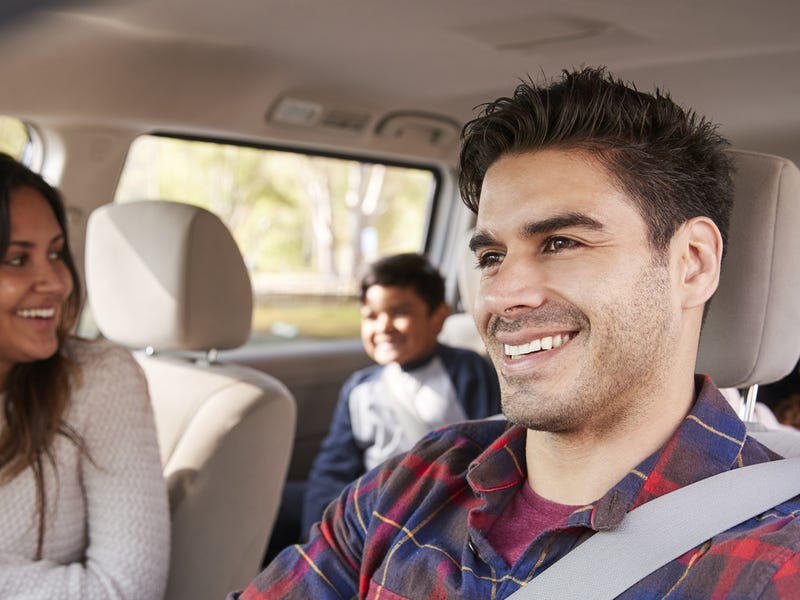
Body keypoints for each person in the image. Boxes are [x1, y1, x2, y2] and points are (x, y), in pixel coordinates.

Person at [229, 67, 800, 599]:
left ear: (692, 264)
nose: (502, 295)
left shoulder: (772, 560)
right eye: (492, 256)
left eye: (562, 242)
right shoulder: (416, 481)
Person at [0, 153, 170, 599]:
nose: (57, 282)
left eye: (56, 253)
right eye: (18, 260)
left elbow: (124, 589)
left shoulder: (96, 380)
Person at [266, 253, 501, 561]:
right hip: (367, 503)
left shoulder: (466, 370)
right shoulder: (359, 387)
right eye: (371, 316)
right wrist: (317, 534)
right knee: (270, 502)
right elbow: (333, 467)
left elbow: (490, 450)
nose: (384, 326)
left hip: (434, 503)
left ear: (438, 317)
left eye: (400, 312)